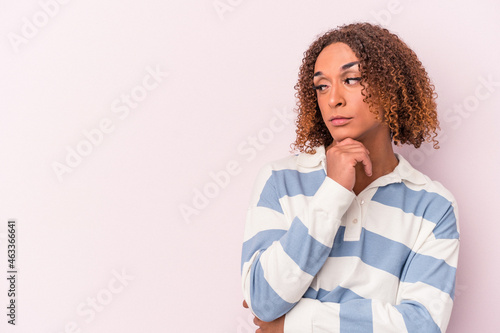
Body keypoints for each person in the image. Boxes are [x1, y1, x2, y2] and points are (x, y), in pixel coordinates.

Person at [240, 22, 460, 333]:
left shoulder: (433, 207)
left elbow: (421, 326)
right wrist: (332, 192)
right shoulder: (280, 180)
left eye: (351, 79)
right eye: (322, 86)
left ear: (391, 87)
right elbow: (264, 300)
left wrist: (295, 323)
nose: (333, 100)